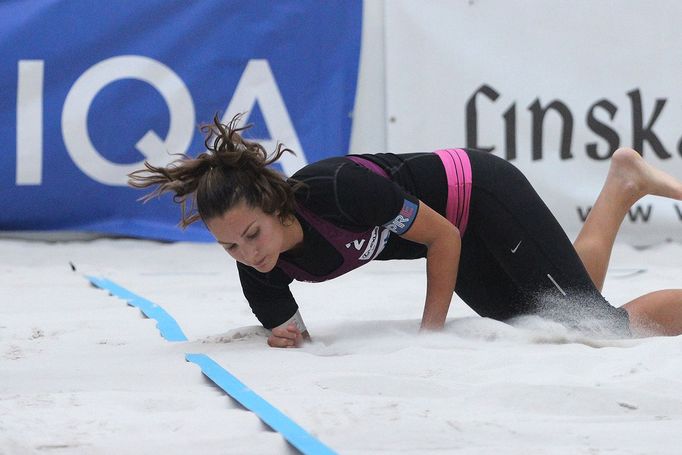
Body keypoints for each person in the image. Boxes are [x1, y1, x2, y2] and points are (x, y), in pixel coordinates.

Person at [129, 114, 682, 348]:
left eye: (251, 235)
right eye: (229, 247)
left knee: (595, 327)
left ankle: (625, 184)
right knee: (551, 311)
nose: (248, 254)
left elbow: (441, 238)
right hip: (451, 234)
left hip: (478, 194)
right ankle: (624, 184)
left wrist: (431, 334)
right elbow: (291, 335)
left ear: (275, 206)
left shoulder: (339, 190)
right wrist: (285, 336)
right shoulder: (261, 276)